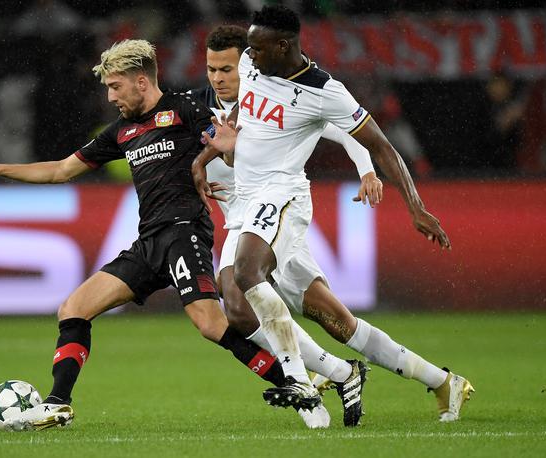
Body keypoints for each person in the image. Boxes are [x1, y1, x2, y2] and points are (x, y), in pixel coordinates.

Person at [0, 39, 355, 431]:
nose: (110, 96)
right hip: (149, 241)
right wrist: (1, 168)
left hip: (184, 232)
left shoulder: (185, 110)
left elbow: (232, 146)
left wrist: (225, 154)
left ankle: (297, 386)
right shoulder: (120, 131)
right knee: (73, 309)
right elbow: (61, 170)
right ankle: (58, 403)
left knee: (211, 325)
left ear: (140, 81)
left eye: (115, 86)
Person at [193, 8, 474, 423]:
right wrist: (207, 156)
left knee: (246, 275)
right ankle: (441, 381)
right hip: (248, 207)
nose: (247, 56)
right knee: (327, 321)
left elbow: (381, 145)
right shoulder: (254, 64)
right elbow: (242, 112)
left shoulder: (325, 92)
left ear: (284, 46)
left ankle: (299, 383)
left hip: (284, 197)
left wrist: (415, 205)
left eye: (256, 47)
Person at [192, 25, 378, 427]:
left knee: (321, 311)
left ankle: (308, 380)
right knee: (239, 312)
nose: (218, 78)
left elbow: (347, 133)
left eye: (227, 69)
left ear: (248, 64)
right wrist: (199, 165)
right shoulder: (203, 107)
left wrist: (366, 171)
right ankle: (341, 372)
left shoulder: (273, 99)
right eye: (211, 69)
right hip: (239, 219)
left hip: (276, 209)